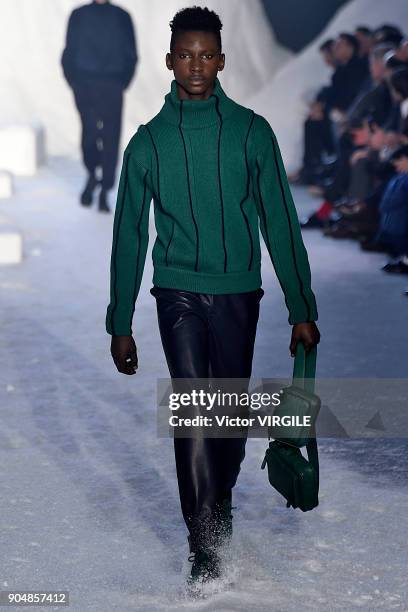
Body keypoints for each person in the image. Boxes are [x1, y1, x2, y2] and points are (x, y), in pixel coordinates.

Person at [105, 6, 320, 586]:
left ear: (221, 61)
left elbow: (280, 221)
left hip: (236, 294)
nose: (196, 65)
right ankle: (203, 542)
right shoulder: (147, 144)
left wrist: (303, 309)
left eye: (206, 55)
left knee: (226, 420)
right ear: (170, 61)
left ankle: (218, 502)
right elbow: (130, 234)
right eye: (185, 55)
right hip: (176, 292)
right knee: (195, 414)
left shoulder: (252, 132)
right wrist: (118, 322)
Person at [61, 0, 138, 213]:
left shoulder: (122, 16)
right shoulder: (79, 15)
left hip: (112, 83)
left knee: (111, 136)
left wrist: (122, 82)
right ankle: (92, 175)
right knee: (90, 133)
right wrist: (73, 80)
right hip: (84, 83)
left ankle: (105, 189)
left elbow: (131, 53)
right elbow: (69, 50)